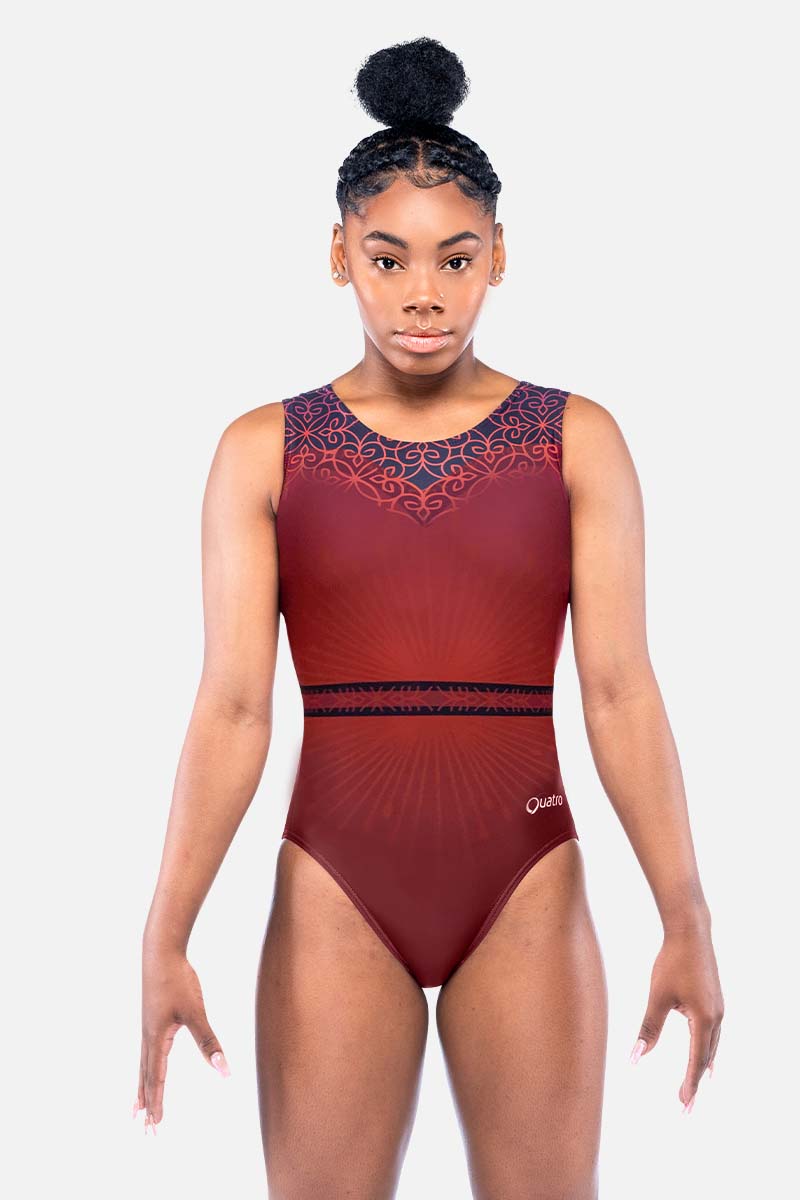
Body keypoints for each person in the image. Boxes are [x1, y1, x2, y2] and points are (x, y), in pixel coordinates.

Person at [136, 36, 724, 1199]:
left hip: (524, 871)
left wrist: (685, 912)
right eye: (386, 257)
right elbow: (235, 706)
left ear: (497, 255)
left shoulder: (575, 441)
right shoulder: (261, 451)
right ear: (337, 255)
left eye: (454, 259)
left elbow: (617, 690)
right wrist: (164, 931)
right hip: (335, 884)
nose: (421, 293)